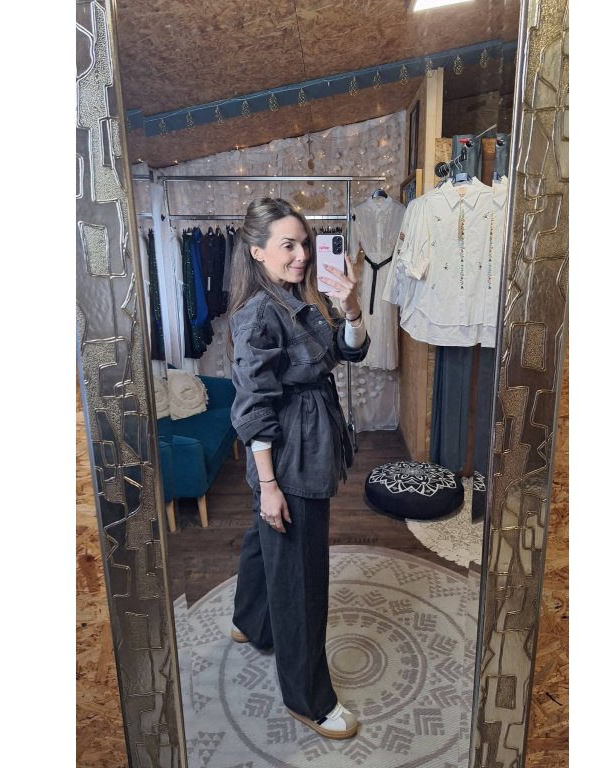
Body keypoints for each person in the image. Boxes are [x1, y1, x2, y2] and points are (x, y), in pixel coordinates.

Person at [227, 197, 369, 740]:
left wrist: (351, 309)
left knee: (266, 542)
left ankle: (249, 621)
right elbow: (253, 406)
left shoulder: (297, 298)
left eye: (304, 243)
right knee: (302, 576)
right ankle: (308, 699)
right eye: (288, 245)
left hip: (305, 439)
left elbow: (347, 352)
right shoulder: (257, 314)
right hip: (289, 455)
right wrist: (269, 485)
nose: (302, 254)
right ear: (257, 251)